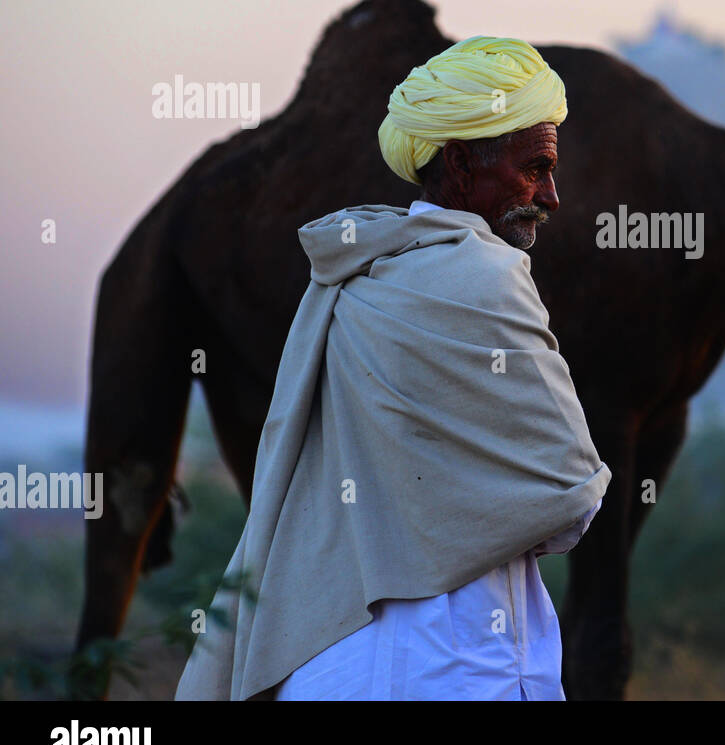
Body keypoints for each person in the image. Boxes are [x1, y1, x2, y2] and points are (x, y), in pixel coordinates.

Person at [174, 36, 611, 701]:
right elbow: (571, 493)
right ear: (462, 165)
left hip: (330, 664)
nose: (550, 195)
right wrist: (489, 510)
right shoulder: (489, 274)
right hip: (459, 663)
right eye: (536, 167)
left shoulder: (354, 275)